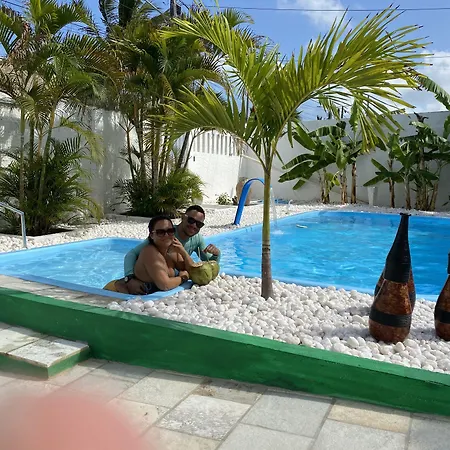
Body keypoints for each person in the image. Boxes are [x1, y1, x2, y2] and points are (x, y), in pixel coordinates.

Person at [123, 205, 221, 295]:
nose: (194, 226)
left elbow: (201, 267)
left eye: (199, 224)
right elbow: (132, 254)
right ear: (183, 217)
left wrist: (216, 254)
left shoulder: (179, 244)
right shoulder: (153, 246)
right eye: (191, 220)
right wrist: (129, 278)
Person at [104, 216, 192, 294]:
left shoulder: (173, 252)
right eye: (160, 232)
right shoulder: (150, 252)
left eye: (170, 231)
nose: (166, 235)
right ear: (152, 235)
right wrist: (182, 278)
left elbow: (192, 270)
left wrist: (183, 252)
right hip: (114, 293)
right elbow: (164, 285)